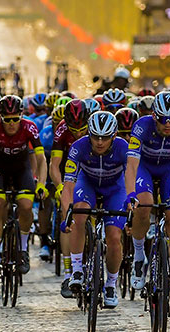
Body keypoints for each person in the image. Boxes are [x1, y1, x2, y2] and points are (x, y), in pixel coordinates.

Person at [125, 91, 170, 294]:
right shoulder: (142, 126)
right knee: (144, 205)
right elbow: (131, 165)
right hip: (144, 167)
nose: (167, 124)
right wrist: (130, 194)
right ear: (154, 116)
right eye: (163, 119)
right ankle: (139, 254)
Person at [61, 111, 129, 308]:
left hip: (115, 189)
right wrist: (67, 216)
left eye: (105, 138)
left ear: (114, 135)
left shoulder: (123, 148)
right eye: (95, 137)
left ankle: (110, 284)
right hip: (87, 184)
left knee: (114, 236)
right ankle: (77, 270)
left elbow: (131, 179)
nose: (100, 142)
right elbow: (68, 186)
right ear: (88, 134)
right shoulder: (78, 147)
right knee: (79, 215)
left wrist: (132, 204)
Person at [0, 95, 46, 278]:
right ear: (0, 118)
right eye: (7, 120)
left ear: (21, 116)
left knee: (25, 206)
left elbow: (41, 159)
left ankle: (23, 249)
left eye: (15, 119)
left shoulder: (29, 127)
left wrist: (40, 183)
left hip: (21, 168)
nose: (11, 124)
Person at [48, 98, 89, 295]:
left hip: (94, 172)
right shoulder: (63, 130)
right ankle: (67, 274)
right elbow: (54, 165)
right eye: (74, 128)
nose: (79, 132)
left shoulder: (96, 126)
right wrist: (60, 187)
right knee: (68, 218)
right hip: (70, 172)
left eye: (82, 128)